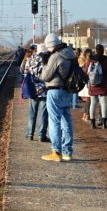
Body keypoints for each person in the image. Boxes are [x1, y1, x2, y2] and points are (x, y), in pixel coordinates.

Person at [40, 33, 77, 162]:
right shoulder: (70, 54)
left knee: (54, 121)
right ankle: (68, 151)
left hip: (55, 91)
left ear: (51, 46)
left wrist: (45, 64)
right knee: (67, 120)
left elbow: (45, 76)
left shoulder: (55, 56)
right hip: (67, 91)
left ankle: (56, 151)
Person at [87, 45, 107, 129]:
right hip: (104, 85)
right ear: (103, 51)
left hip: (93, 85)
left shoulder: (91, 60)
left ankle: (92, 123)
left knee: (93, 103)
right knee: (104, 104)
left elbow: (86, 72)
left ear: (95, 50)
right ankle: (104, 123)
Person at [26, 44, 50, 142]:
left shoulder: (30, 59)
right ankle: (41, 135)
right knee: (44, 114)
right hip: (44, 91)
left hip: (33, 89)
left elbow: (23, 70)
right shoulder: (47, 60)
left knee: (32, 113)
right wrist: (43, 86)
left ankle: (30, 134)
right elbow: (49, 74)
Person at [78, 48, 92, 120]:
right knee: (90, 99)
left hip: (84, 82)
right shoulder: (89, 63)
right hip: (89, 81)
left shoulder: (81, 62)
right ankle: (87, 114)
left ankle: (86, 114)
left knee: (88, 99)